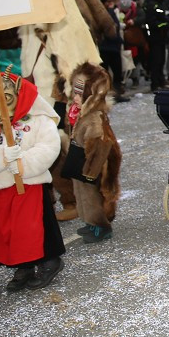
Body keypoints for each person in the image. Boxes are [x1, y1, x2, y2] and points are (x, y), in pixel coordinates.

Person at [0, 67, 65, 292]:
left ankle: (49, 260)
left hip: (30, 184)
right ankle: (23, 265)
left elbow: (49, 147)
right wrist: (0, 156)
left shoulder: (39, 119)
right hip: (2, 185)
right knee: (9, 229)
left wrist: (21, 163)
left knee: (36, 225)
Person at [59, 63, 122, 243]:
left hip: (91, 165)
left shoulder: (94, 117)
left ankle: (100, 225)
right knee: (81, 194)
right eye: (75, 92)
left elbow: (100, 143)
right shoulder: (80, 112)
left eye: (81, 93)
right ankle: (89, 222)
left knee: (94, 196)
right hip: (80, 161)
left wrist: (90, 170)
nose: (76, 97)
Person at [143, 0, 169, 92]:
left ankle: (161, 82)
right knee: (156, 60)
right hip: (155, 37)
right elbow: (152, 23)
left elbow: (163, 16)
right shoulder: (152, 4)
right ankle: (155, 84)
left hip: (162, 36)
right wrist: (167, 25)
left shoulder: (161, 3)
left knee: (161, 60)